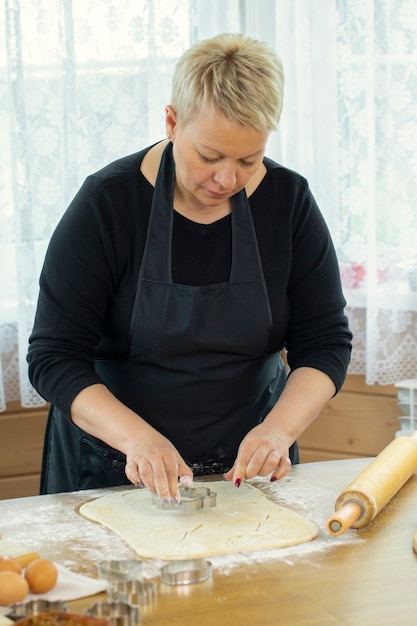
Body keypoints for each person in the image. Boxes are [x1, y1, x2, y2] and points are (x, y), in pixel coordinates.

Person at [27, 33, 352, 500]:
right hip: (109, 466)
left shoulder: (289, 202)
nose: (226, 179)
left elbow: (325, 342)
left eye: (248, 160)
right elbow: (53, 356)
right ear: (172, 121)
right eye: (209, 156)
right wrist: (137, 439)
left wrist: (278, 431)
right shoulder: (107, 204)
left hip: (250, 470)